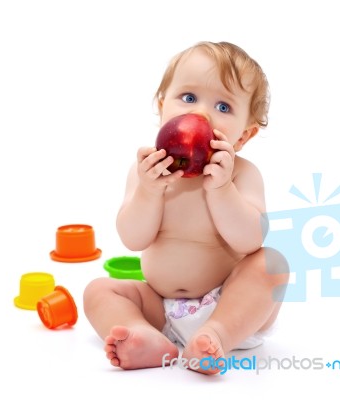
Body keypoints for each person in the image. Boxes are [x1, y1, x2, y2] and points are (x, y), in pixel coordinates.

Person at [83, 41, 289, 375]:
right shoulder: (147, 171)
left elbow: (251, 241)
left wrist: (222, 191)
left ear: (243, 137)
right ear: (163, 106)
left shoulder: (243, 174)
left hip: (229, 304)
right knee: (99, 290)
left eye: (223, 106)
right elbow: (132, 239)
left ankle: (216, 334)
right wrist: (149, 193)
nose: (202, 114)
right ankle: (145, 336)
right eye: (189, 98)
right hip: (160, 307)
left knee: (272, 263)